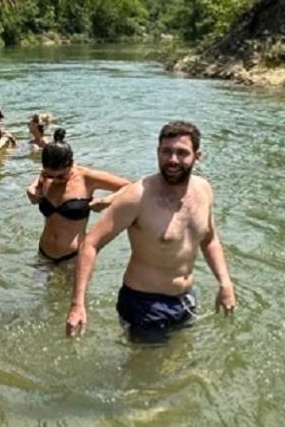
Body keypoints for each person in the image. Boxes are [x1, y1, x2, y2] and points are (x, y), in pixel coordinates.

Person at [66, 120, 236, 340]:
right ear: (157, 152)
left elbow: (209, 239)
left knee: (179, 362)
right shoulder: (137, 196)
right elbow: (91, 243)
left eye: (181, 153)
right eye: (166, 152)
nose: (172, 159)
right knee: (148, 372)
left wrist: (225, 283)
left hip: (186, 298)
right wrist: (78, 304)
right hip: (144, 305)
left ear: (197, 155)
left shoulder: (204, 189)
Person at [27, 130, 130, 264]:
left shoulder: (87, 177)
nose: (55, 180)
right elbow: (37, 183)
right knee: (36, 285)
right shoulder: (46, 175)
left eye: (61, 176)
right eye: (51, 176)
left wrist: (107, 201)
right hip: (43, 252)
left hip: (73, 257)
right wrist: (31, 189)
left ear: (71, 164)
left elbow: (129, 186)